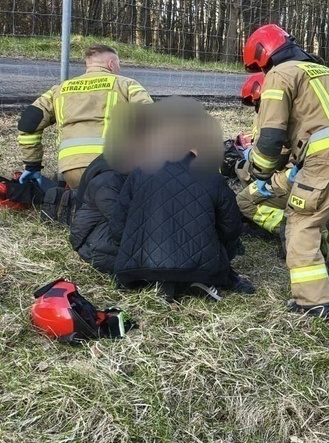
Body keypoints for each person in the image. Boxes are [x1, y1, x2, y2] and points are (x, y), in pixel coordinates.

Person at [244, 23, 329, 317]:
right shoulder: (328, 72)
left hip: (328, 155)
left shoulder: (279, 75)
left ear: (263, 55)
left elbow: (270, 137)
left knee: (302, 223)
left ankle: (313, 300)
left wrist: (260, 173)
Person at [107, 99, 251, 299]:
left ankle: (164, 282)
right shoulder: (211, 174)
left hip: (138, 269)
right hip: (201, 268)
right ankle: (190, 280)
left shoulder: (139, 171)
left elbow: (117, 226)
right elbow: (231, 227)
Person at [17, 44, 153, 187]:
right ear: (111, 64)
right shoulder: (127, 84)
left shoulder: (59, 90)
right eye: (119, 64)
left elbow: (28, 124)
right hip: (113, 166)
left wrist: (32, 165)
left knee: (84, 199)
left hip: (71, 168)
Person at [229, 72, 292, 236]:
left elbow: (275, 157)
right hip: (295, 170)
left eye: (257, 103)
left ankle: (300, 231)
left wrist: (252, 156)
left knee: (244, 201)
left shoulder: (279, 115)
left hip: (290, 173)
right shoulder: (274, 110)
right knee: (243, 168)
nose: (256, 108)